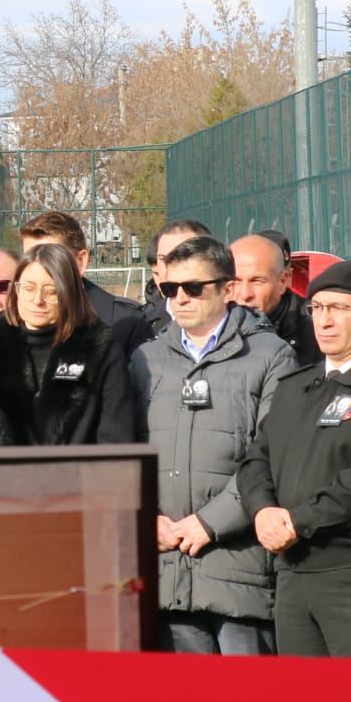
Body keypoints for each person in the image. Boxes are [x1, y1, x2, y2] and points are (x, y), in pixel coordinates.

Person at [242, 260, 351, 658]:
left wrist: (297, 520)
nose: (324, 320)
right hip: (292, 570)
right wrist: (262, 511)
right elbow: (256, 460)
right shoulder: (295, 388)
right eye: (317, 308)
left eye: (339, 309)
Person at [130, 236, 295, 654]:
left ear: (227, 288)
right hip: (168, 567)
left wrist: (210, 523)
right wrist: (146, 517)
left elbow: (274, 453)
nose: (179, 299)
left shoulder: (270, 356)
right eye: (170, 289)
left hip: (239, 567)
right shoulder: (145, 359)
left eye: (193, 288)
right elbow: (127, 450)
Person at [0, 244, 138, 447]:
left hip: (79, 476)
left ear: (69, 294)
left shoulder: (100, 349)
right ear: (16, 290)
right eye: (29, 288)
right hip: (7, 475)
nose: (37, 300)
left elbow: (116, 438)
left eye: (51, 291)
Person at [18, 211, 150, 359]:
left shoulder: (127, 324)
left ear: (81, 261)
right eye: (31, 258)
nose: (38, 267)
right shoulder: (9, 325)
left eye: (51, 258)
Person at [229, 233, 320, 367]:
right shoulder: (206, 326)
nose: (245, 294)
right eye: (236, 281)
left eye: (257, 281)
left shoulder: (318, 328)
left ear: (283, 281)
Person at [141, 218, 212, 337]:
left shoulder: (244, 325)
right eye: (163, 259)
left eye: (183, 257)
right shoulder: (141, 327)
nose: (170, 267)